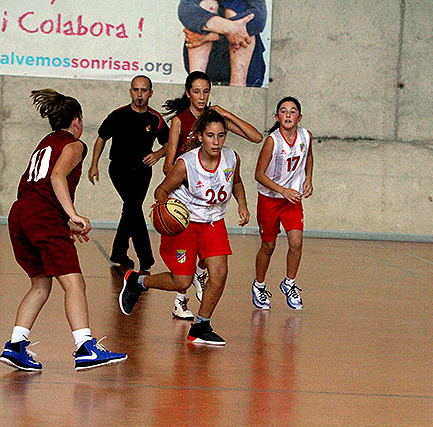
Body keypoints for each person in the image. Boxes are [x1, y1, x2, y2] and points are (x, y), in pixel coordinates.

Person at [0, 89, 127, 372]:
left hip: (21, 213)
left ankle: (16, 345)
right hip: (42, 215)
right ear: (77, 121)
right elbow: (56, 177)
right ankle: (85, 347)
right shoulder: (74, 145)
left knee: (41, 284)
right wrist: (73, 214)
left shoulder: (46, 142)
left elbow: (40, 185)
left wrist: (64, 220)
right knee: (74, 284)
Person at [119, 109, 250, 345]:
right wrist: (164, 205)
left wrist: (242, 204)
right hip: (185, 224)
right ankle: (137, 282)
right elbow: (162, 189)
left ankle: (201, 325)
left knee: (219, 273)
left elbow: (237, 182)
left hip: (213, 222)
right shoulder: (186, 164)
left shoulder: (232, 158)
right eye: (211, 136)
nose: (216, 141)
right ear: (200, 136)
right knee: (182, 282)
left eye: (221, 135)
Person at [162, 70, 261, 320]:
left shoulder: (215, 122)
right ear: (188, 93)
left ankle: (198, 275)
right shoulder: (180, 121)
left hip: (211, 201)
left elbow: (256, 137)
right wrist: (185, 174)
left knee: (209, 259)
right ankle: (180, 302)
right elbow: (168, 164)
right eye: (196, 91)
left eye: (206, 91)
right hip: (185, 198)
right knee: (183, 271)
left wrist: (225, 113)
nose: (202, 96)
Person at [87, 75, 169, 272]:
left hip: (142, 170)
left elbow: (169, 144)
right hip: (119, 169)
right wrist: (94, 164)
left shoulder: (155, 118)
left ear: (150, 92)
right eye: (135, 90)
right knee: (133, 207)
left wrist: (157, 154)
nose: (139, 94)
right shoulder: (118, 115)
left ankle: (119, 252)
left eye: (143, 90)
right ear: (131, 91)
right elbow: (101, 139)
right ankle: (145, 256)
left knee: (131, 210)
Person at [251, 96, 314, 311]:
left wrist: (309, 179)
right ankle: (259, 285)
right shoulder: (272, 141)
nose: (288, 114)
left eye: (293, 111)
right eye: (284, 111)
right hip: (270, 199)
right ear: (277, 116)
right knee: (268, 246)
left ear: (299, 116)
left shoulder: (306, 136)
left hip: (292, 199)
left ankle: (289, 283)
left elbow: (309, 157)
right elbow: (258, 174)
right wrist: (282, 190)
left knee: (296, 242)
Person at [178, 0, 267, 87]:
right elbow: (185, 10)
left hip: (248, 72)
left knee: (237, 10)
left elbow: (259, 18)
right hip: (210, 64)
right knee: (206, 5)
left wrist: (210, 36)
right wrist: (227, 27)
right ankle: (196, 83)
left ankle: (238, 88)